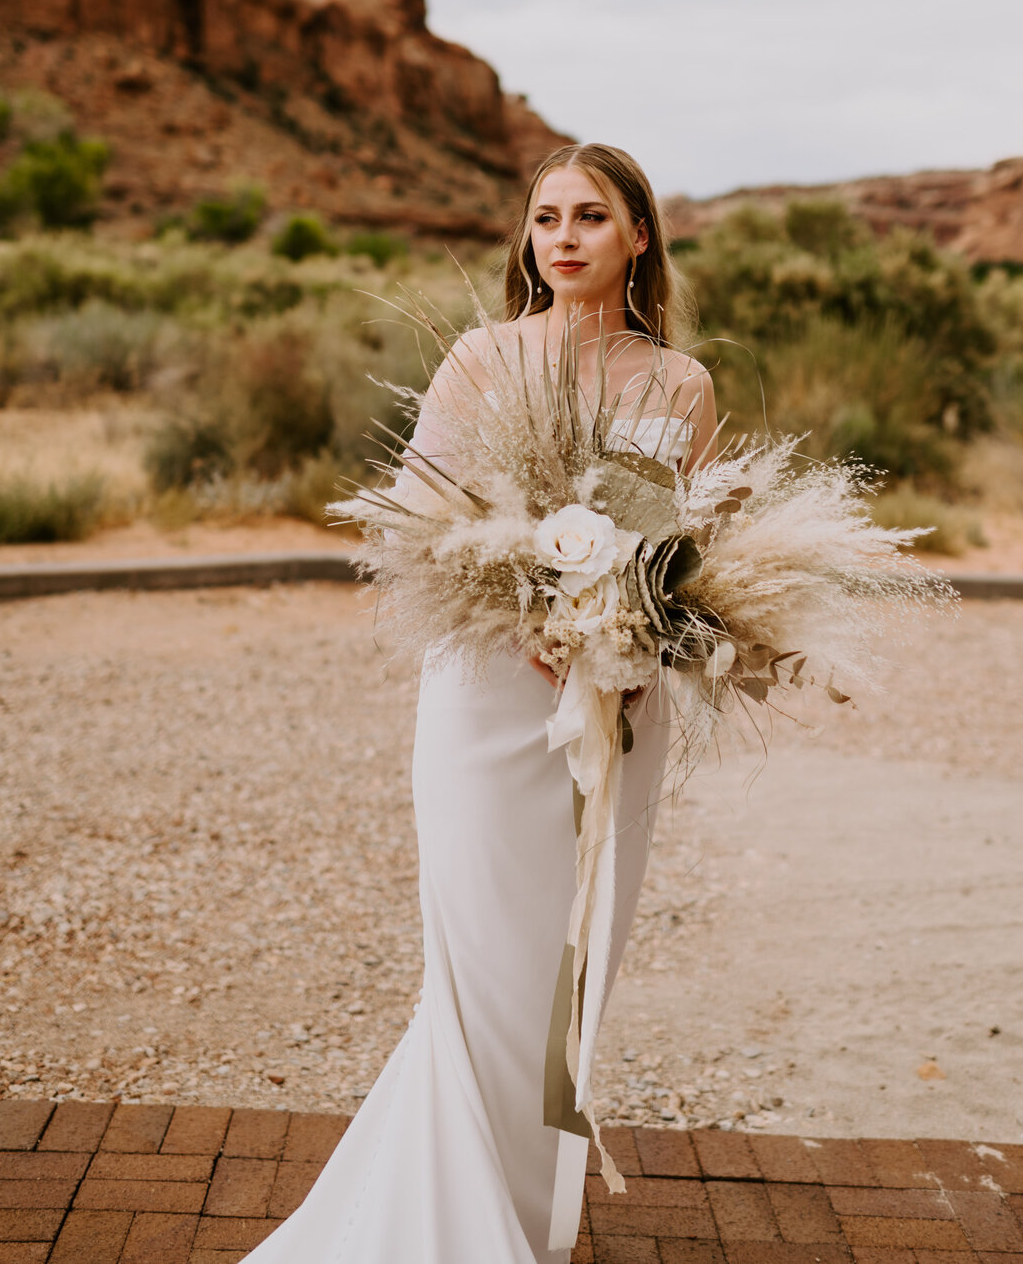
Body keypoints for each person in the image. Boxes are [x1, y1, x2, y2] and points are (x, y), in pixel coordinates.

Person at [244, 143, 716, 1264]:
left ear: (638, 237)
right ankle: (452, 1217)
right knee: (479, 949)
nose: (563, 236)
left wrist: (638, 634)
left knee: (574, 952)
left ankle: (528, 1208)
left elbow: (694, 547)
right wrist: (530, 624)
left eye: (591, 216)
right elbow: (421, 523)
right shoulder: (481, 357)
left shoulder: (678, 384)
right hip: (487, 694)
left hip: (617, 700)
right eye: (546, 216)